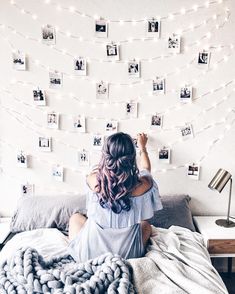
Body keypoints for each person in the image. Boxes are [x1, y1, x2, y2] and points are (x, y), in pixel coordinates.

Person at [68, 132, 162, 262]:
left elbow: (97, 171)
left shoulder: (93, 180)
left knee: (76, 218)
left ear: (105, 156)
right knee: (145, 224)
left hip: (89, 255)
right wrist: (143, 147)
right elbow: (146, 169)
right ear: (131, 157)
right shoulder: (143, 185)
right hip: (128, 256)